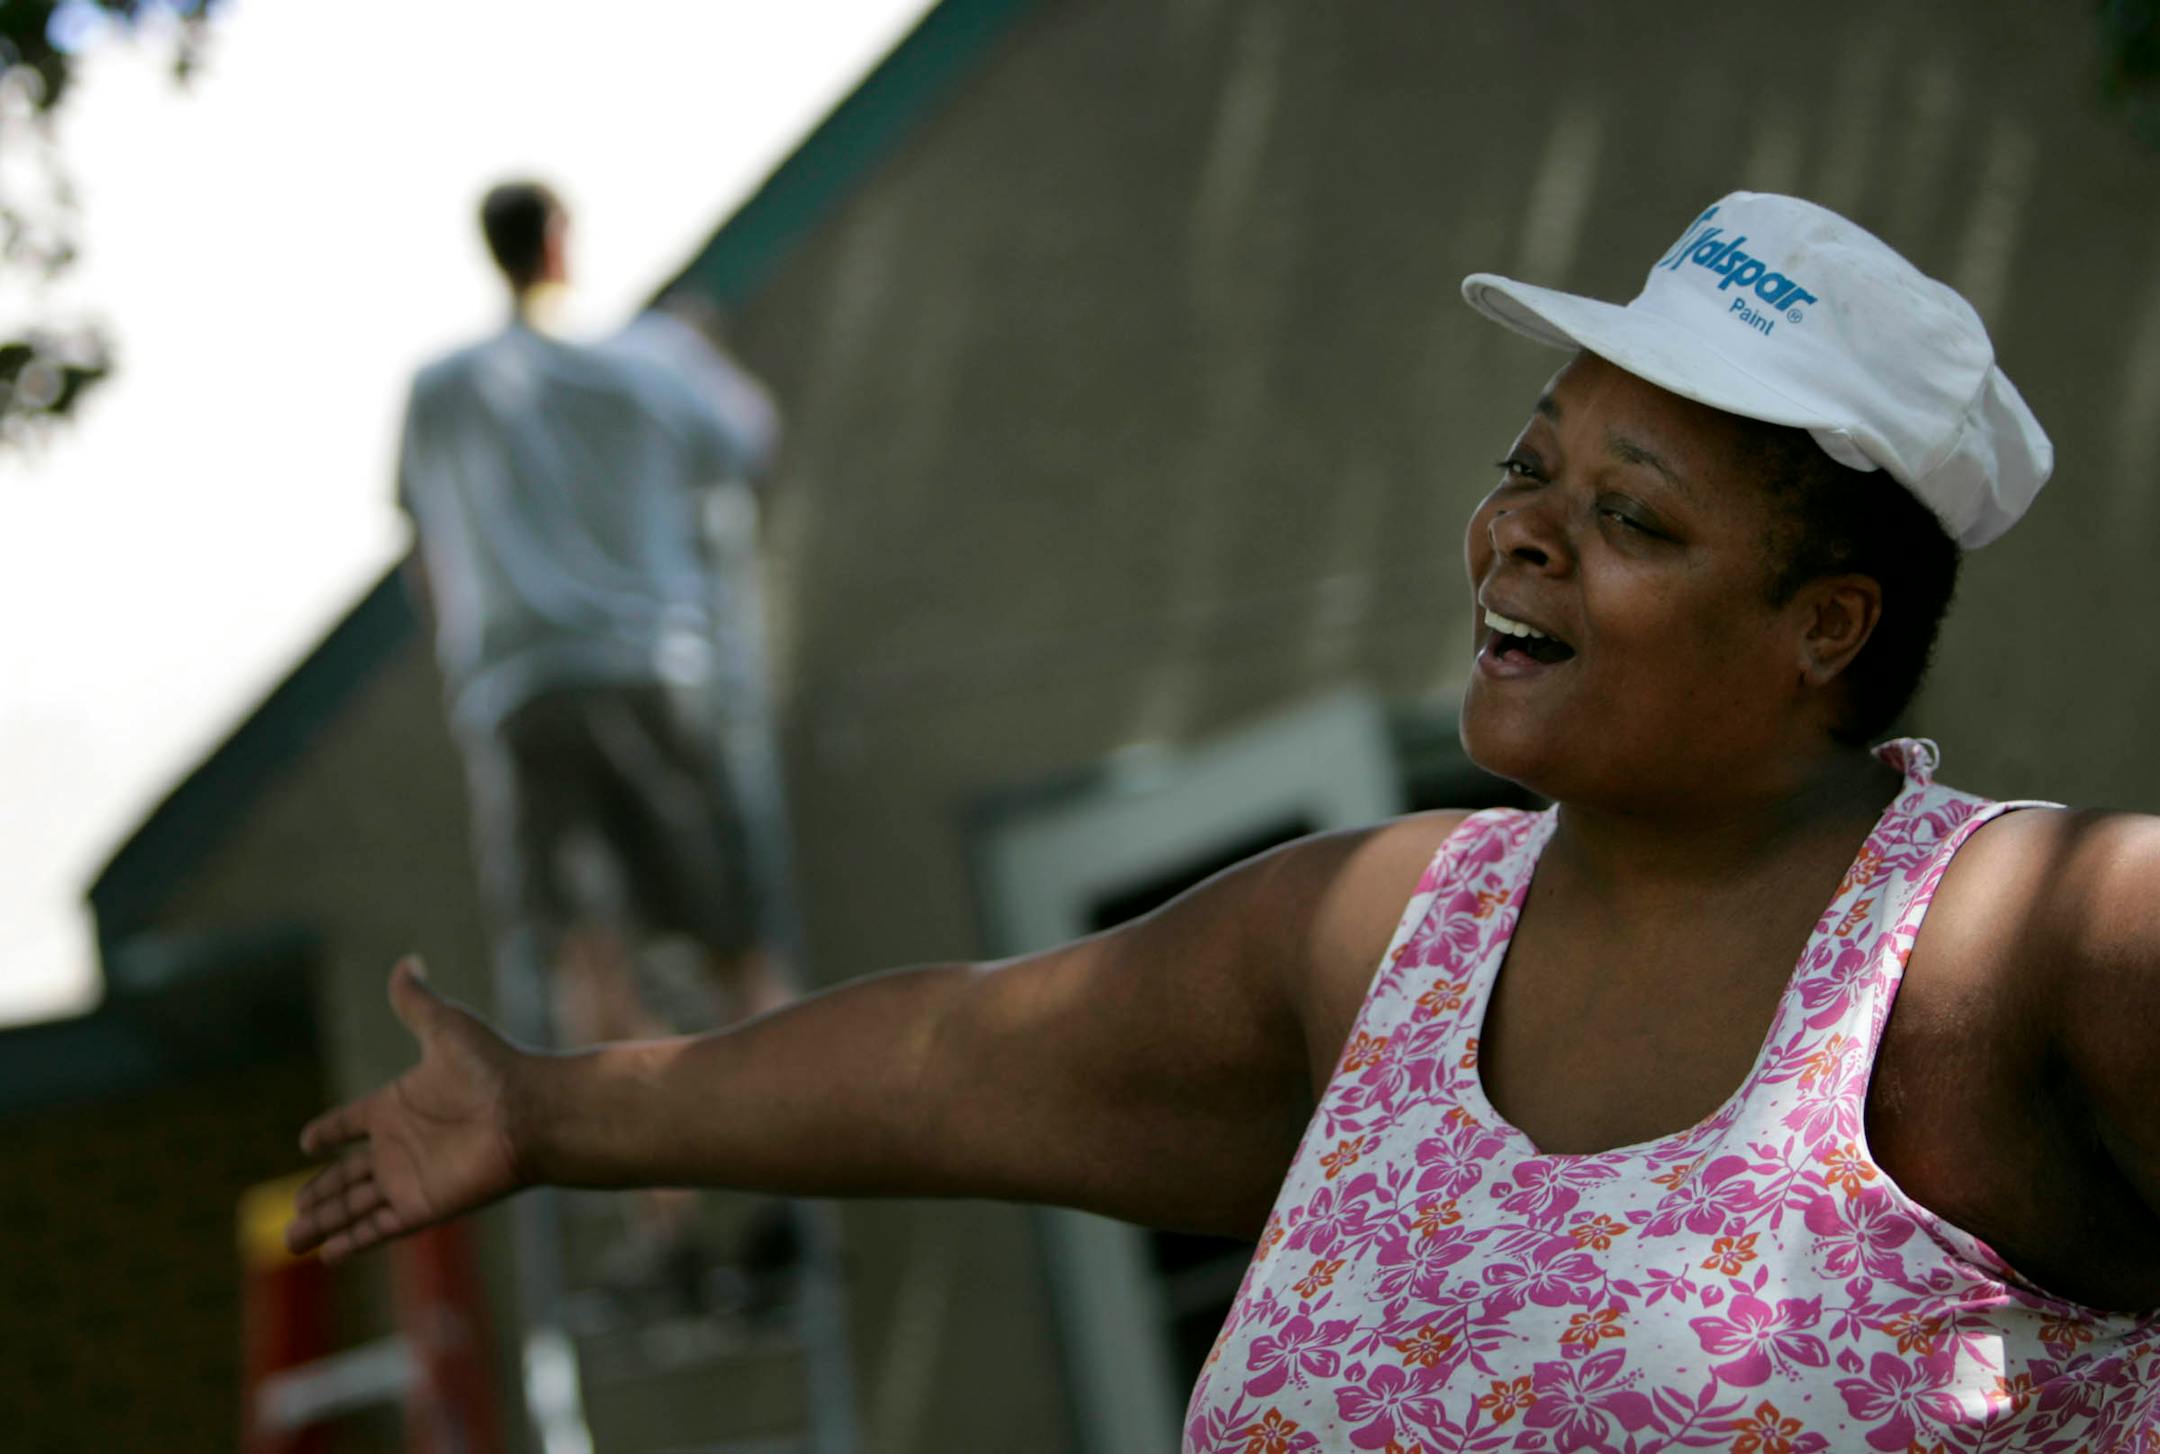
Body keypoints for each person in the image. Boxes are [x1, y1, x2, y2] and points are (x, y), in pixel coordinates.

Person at [298, 192, 2160, 1448]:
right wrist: (549, 1108)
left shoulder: (2028, 944)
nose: (1521, 530)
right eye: (1531, 466)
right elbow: (957, 1053)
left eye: (1635, 516)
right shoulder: (1387, 938)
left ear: (1823, 627)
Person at [392, 179, 795, 1308]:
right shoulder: (653, 358)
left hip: (520, 694)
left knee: (588, 961)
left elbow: (426, 555)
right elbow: (750, 442)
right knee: (731, 941)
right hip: (653, 673)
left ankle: (663, 1224)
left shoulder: (442, 391)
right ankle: (787, 1189)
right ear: (562, 240)